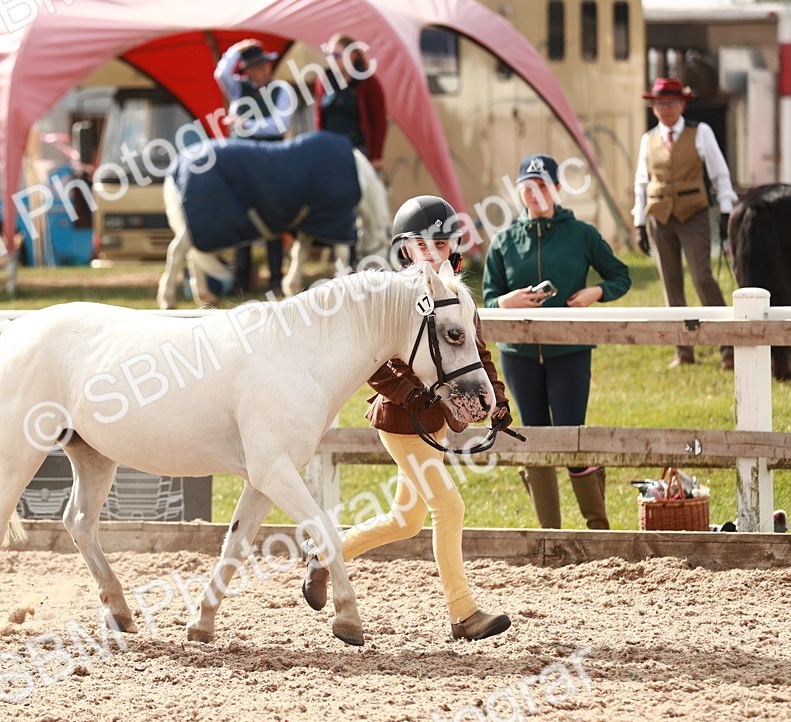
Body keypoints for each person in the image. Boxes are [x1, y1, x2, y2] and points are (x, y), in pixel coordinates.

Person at [301, 195, 513, 642]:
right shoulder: (392, 298)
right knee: (448, 507)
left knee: (405, 521)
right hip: (402, 422)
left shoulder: (455, 293)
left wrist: (495, 398)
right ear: (406, 249)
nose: (436, 251)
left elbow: (475, 355)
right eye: (425, 243)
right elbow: (373, 364)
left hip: (434, 422)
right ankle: (463, 613)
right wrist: (413, 393)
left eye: (443, 242)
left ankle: (324, 555)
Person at [483, 154, 632, 530]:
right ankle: (549, 535)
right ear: (519, 191)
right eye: (527, 188)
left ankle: (598, 529)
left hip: (570, 350)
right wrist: (505, 302)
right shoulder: (502, 242)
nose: (535, 194)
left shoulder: (582, 234)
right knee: (532, 439)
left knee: (570, 438)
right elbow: (486, 300)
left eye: (543, 186)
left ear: (557, 189)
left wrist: (595, 292)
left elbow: (621, 276)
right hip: (518, 355)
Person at [633, 77, 736, 370]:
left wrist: (726, 209)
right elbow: (642, 181)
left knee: (703, 277)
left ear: (682, 104)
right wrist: (640, 221)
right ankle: (684, 349)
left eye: (671, 102)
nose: (666, 108)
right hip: (660, 215)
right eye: (660, 103)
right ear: (653, 107)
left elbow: (720, 174)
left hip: (694, 213)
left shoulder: (700, 132)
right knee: (671, 283)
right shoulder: (648, 139)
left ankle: (727, 345)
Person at [214, 39, 291, 296]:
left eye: (265, 65)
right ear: (247, 71)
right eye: (257, 67)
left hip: (270, 160)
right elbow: (221, 73)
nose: (264, 71)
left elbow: (279, 125)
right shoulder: (238, 89)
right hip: (242, 162)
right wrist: (237, 49)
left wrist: (246, 125)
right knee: (242, 219)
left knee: (273, 220)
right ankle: (241, 280)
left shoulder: (282, 90)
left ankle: (276, 279)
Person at [314, 34, 385, 171]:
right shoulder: (324, 80)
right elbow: (319, 116)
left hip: (358, 151)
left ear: (352, 55)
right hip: (330, 151)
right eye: (329, 55)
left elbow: (379, 120)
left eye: (336, 55)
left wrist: (376, 156)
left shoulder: (368, 82)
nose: (332, 59)